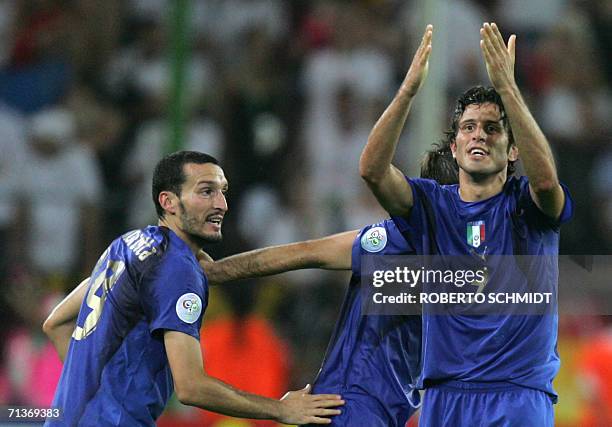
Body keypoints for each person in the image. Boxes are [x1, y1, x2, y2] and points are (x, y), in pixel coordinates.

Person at [359, 23, 573, 426]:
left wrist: (509, 90)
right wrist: (407, 91)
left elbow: (547, 182)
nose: (480, 136)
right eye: (469, 128)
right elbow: (372, 170)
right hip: (445, 397)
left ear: (512, 150)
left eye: (493, 129)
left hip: (518, 397)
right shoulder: (429, 206)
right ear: (454, 147)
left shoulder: (528, 205)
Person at [43, 151, 343, 426]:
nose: (221, 204)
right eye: (206, 191)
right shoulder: (178, 272)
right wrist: (281, 409)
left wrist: (92, 392)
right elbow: (191, 387)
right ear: (168, 202)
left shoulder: (126, 246)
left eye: (222, 192)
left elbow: (56, 323)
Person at [198, 147, 458, 427]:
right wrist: (214, 272)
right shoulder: (391, 245)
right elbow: (303, 253)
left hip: (381, 413)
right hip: (348, 410)